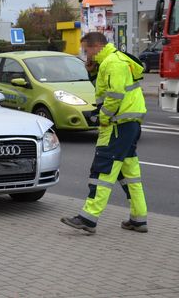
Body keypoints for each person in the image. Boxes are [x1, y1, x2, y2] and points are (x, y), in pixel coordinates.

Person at [61, 32, 148, 234]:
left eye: (86, 49)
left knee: (102, 170)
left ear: (96, 46)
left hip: (118, 125)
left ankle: (88, 218)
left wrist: (103, 118)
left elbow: (114, 96)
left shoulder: (112, 63)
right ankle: (138, 218)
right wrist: (91, 72)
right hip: (127, 124)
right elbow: (105, 90)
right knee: (130, 175)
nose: (85, 53)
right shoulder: (110, 61)